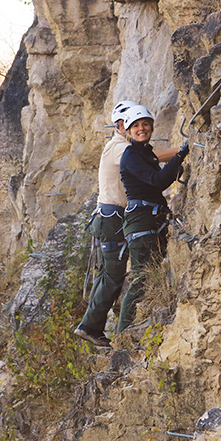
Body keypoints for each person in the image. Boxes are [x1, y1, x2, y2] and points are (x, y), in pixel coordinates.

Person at [74, 101, 179, 347]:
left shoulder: (122, 146)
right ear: (121, 126)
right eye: (127, 123)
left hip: (112, 217)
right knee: (112, 275)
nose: (132, 127)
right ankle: (93, 327)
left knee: (111, 274)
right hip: (113, 218)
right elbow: (150, 161)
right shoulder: (119, 148)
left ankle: (92, 325)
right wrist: (180, 151)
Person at [116, 105, 189, 333]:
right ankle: (122, 335)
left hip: (151, 219)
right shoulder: (131, 156)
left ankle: (142, 325)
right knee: (140, 279)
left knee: (154, 271)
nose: (141, 129)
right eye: (136, 126)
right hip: (141, 221)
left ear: (151, 126)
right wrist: (180, 155)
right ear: (128, 131)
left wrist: (179, 157)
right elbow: (157, 181)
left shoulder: (145, 153)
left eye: (145, 124)